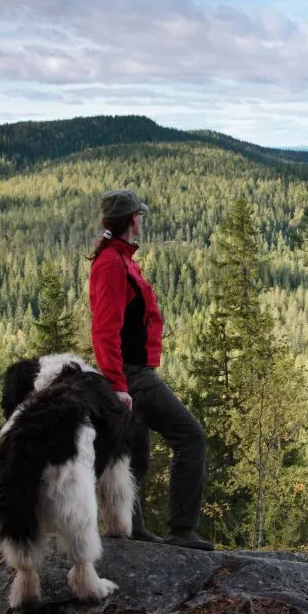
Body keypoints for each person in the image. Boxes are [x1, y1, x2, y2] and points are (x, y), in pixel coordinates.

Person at [88, 189, 214, 551]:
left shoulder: (119, 258)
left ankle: (133, 529)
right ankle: (182, 530)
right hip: (132, 375)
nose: (142, 220)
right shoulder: (113, 263)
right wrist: (117, 384)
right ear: (131, 220)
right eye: (139, 215)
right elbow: (105, 328)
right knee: (190, 436)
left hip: (129, 372)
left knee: (135, 456)